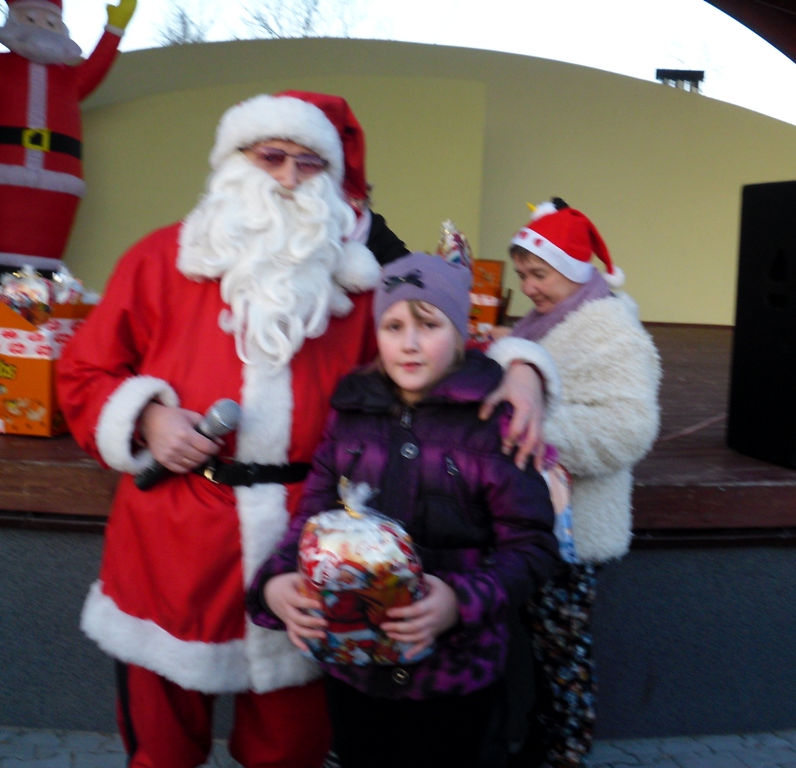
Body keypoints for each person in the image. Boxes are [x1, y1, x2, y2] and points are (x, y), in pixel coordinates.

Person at [55, 91, 553, 768]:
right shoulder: (159, 259)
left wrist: (524, 367)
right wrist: (146, 416)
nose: (290, 177)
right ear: (236, 161)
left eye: (310, 163)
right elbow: (84, 370)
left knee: (289, 750)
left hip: (312, 544)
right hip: (170, 539)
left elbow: (433, 343)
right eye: (272, 157)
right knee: (162, 749)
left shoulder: (356, 282)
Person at [247, 251, 561, 768]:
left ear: (459, 332)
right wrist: (275, 584)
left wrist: (460, 601)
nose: (409, 343)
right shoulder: (351, 414)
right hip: (355, 672)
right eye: (393, 326)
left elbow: (532, 547)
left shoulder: (494, 424)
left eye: (429, 324)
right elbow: (310, 521)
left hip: (456, 680)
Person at [502, 199, 661, 768]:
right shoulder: (549, 321)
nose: (528, 287)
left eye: (538, 274)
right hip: (537, 519)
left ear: (572, 269)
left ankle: (564, 751)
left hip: (574, 533)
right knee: (547, 648)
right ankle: (545, 743)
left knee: (561, 654)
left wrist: (530, 433)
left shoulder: (610, 332)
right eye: (523, 274)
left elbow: (627, 428)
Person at [0, 0, 136, 277]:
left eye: (50, 23)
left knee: (46, 245)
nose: (42, 29)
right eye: (31, 19)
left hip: (58, 174)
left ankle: (43, 288)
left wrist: (114, 30)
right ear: (13, 21)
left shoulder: (69, 78)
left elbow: (97, 67)